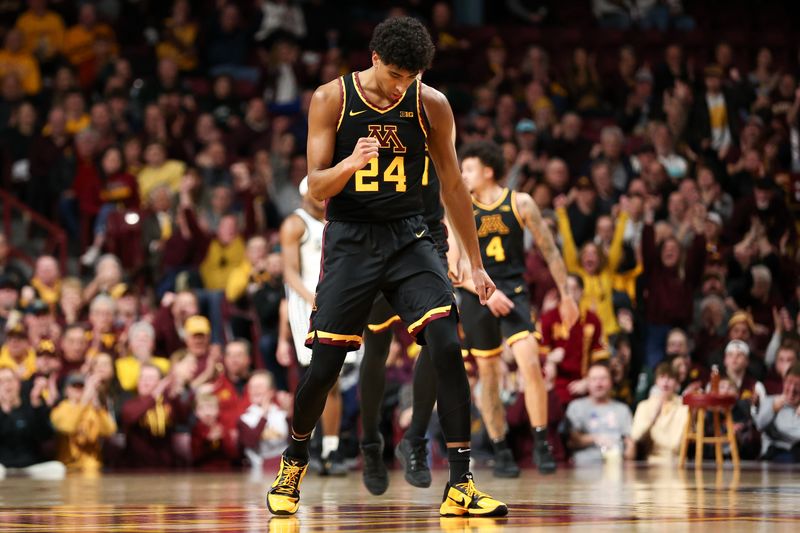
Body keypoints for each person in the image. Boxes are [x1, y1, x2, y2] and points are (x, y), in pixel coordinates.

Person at [267, 17, 507, 518]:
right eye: (397, 74)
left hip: (409, 236)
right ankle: (294, 459)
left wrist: (477, 264)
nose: (404, 85)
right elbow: (314, 187)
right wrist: (350, 163)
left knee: (446, 342)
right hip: (352, 240)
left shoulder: (430, 103)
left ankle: (461, 483)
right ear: (375, 58)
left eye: (413, 76)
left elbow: (454, 187)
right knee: (326, 366)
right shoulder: (331, 98)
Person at [456, 140, 578, 477]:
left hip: (513, 290)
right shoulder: (460, 206)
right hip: (476, 295)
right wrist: (483, 291)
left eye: (468, 169)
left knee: (530, 363)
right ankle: (500, 449)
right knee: (490, 375)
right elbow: (454, 268)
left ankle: (541, 443)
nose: (463, 175)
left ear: (488, 171)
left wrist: (566, 295)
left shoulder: (520, 202)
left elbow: (551, 252)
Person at [279, 177, 362, 475]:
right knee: (319, 377)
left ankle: (330, 448)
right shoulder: (295, 224)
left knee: (333, 378)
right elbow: (290, 274)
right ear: (307, 194)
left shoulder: (337, 221)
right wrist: (315, 299)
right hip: (307, 306)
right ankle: (309, 447)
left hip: (336, 304)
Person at [540, 274, 608, 406]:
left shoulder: (592, 320)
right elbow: (536, 355)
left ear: (581, 292)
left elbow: (601, 359)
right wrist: (549, 358)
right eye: (565, 289)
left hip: (585, 385)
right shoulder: (548, 318)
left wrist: (588, 381)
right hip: (555, 386)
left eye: (573, 289)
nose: (569, 294)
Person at [566, 362, 635, 465]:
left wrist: (629, 466)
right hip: (585, 467)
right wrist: (595, 438)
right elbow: (571, 441)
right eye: (594, 379)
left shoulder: (622, 409)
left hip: (617, 466)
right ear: (587, 382)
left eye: (603, 379)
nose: (599, 384)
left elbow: (630, 442)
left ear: (611, 382)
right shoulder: (576, 407)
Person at [50, 372, 117, 472]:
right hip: (68, 467)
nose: (78, 390)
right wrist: (83, 402)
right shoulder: (60, 409)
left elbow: (110, 431)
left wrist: (98, 408)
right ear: (66, 390)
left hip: (92, 467)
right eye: (74, 386)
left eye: (82, 386)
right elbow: (67, 427)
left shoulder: (93, 410)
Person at [631, 363, 689, 464]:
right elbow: (636, 436)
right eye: (662, 377)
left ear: (677, 383)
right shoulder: (644, 406)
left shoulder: (684, 408)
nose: (666, 382)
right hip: (649, 464)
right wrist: (653, 418)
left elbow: (676, 445)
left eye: (670, 378)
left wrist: (653, 435)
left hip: (678, 462)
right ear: (656, 381)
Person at [239, 370, 289, 468]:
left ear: (271, 391)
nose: (255, 390)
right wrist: (264, 416)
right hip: (256, 469)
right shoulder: (244, 419)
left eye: (260, 386)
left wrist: (290, 416)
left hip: (284, 468)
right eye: (252, 387)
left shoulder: (283, 414)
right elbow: (250, 442)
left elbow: (295, 443)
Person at [754, 362, 800, 462]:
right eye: (789, 383)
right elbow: (759, 425)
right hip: (775, 454)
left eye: (797, 385)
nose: (791, 390)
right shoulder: (771, 401)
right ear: (783, 382)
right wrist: (772, 409)